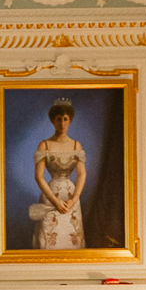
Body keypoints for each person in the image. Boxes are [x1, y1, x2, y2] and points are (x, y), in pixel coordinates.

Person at [32, 96, 88, 248]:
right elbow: (38, 176)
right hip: (50, 196)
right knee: (48, 238)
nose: (62, 123)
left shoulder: (76, 145)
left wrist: (74, 198)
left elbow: (82, 174)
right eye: (58, 119)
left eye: (65, 119)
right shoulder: (45, 145)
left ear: (70, 120)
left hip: (71, 196)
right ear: (52, 121)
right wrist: (55, 201)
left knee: (71, 238)